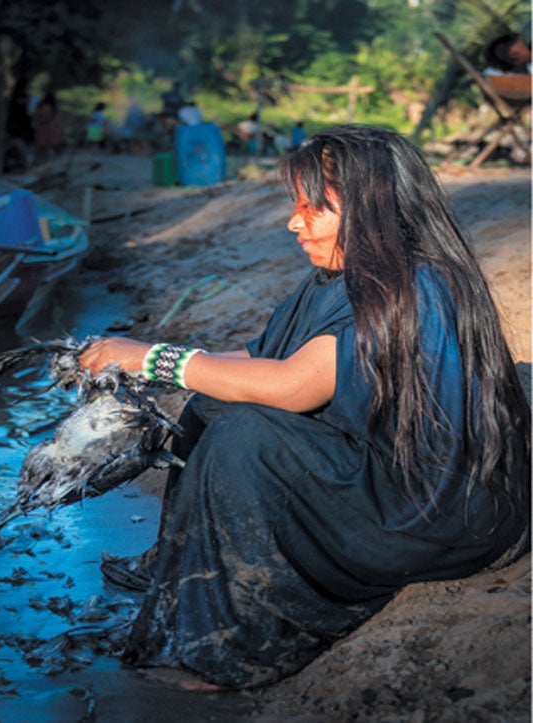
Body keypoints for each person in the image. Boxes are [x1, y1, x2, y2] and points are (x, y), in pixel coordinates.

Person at [79, 125, 530, 690]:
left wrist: (155, 359)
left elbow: (295, 384)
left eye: (315, 207)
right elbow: (258, 358)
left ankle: (226, 650)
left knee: (244, 437)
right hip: (376, 463)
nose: (295, 222)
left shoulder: (407, 289)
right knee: (215, 401)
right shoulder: (343, 277)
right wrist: (151, 360)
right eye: (297, 205)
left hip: (429, 510)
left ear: (375, 210)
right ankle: (177, 562)